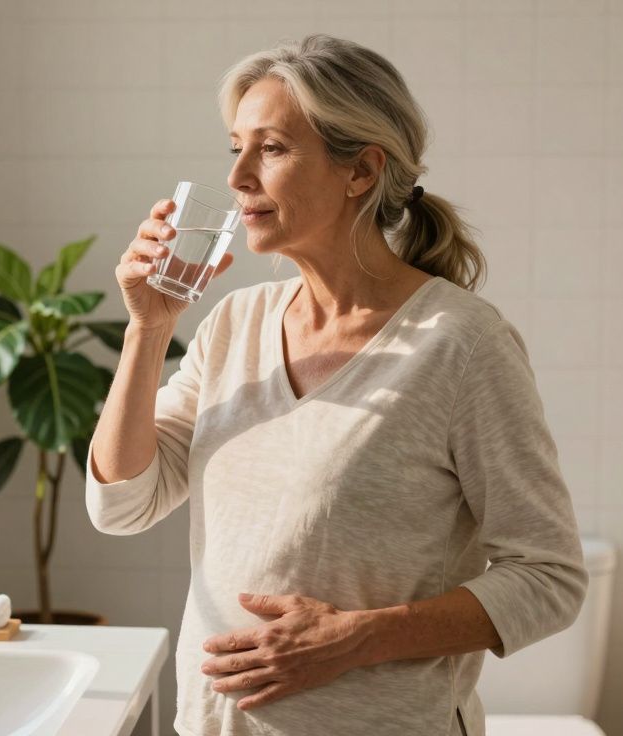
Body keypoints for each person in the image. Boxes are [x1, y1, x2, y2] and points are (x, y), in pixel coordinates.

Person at [85, 34, 587, 736]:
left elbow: (550, 577)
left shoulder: (461, 345)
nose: (236, 179)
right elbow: (122, 505)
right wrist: (148, 329)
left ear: (361, 171)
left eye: (272, 148)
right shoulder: (234, 324)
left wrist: (358, 637)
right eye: (236, 148)